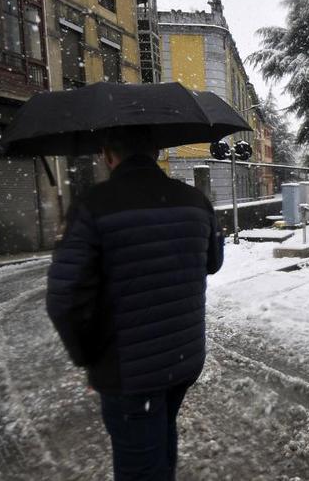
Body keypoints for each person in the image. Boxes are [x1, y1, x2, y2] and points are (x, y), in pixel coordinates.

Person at [46, 126, 224, 480]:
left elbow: (65, 298)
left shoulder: (92, 206)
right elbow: (213, 262)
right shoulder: (194, 200)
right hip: (184, 358)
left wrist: (89, 358)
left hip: (129, 371)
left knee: (139, 463)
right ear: (156, 151)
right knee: (162, 438)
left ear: (108, 154)